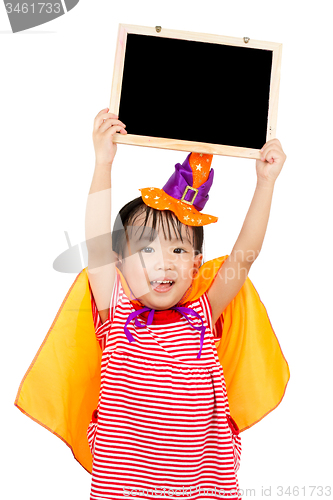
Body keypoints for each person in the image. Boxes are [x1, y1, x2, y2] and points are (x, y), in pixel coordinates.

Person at [83, 108, 288, 499]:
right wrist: (102, 162)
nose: (164, 261)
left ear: (195, 266)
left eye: (179, 248)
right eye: (146, 247)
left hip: (201, 489)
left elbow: (243, 256)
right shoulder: (116, 311)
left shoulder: (202, 313)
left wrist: (265, 183)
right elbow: (95, 244)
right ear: (120, 262)